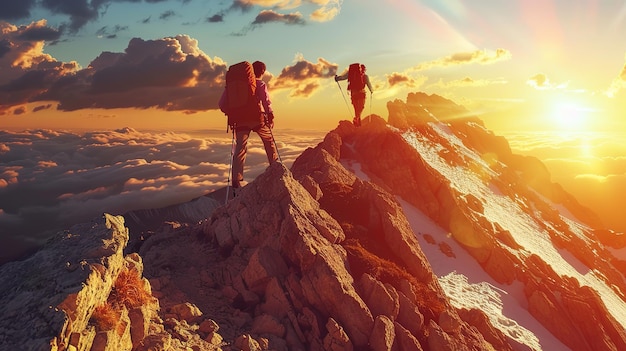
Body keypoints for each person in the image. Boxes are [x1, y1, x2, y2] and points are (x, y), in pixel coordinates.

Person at [219, 60, 278, 193]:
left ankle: (236, 180)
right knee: (269, 141)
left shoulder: (234, 86)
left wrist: (234, 112)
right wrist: (270, 115)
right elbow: (266, 100)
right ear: (262, 72)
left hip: (240, 120)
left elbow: (221, 104)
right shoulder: (260, 84)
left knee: (240, 147)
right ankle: (275, 167)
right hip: (257, 118)